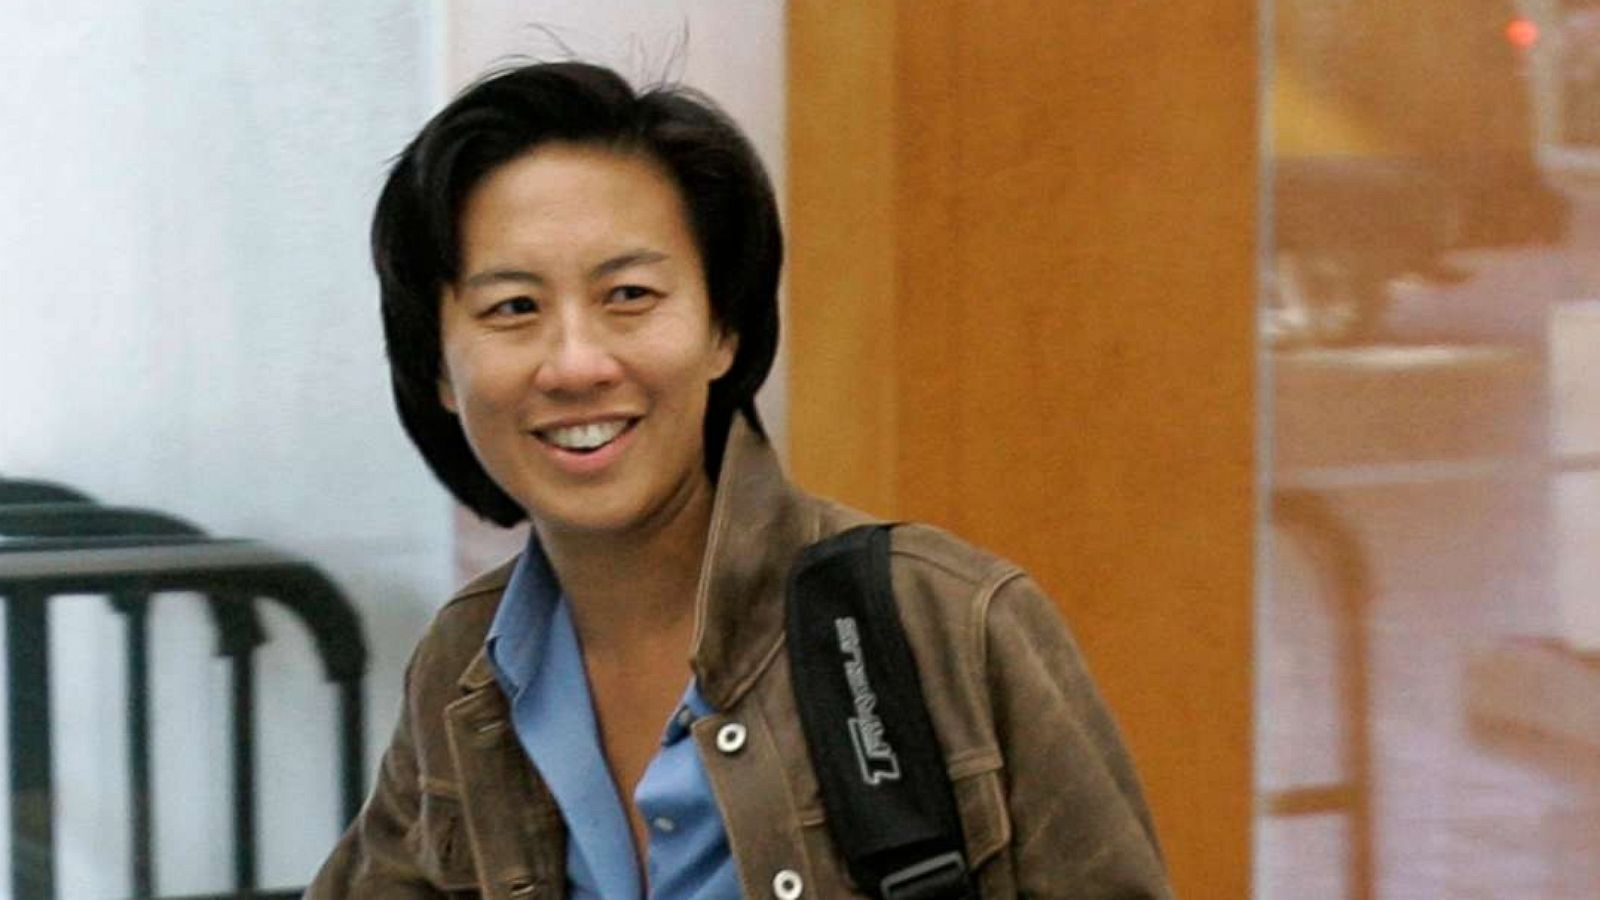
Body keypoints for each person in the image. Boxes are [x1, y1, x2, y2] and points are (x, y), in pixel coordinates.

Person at [308, 60, 1171, 899]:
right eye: (513, 309)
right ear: (441, 374)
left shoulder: (947, 622)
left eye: (630, 294)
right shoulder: (467, 668)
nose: (575, 363)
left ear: (723, 329)